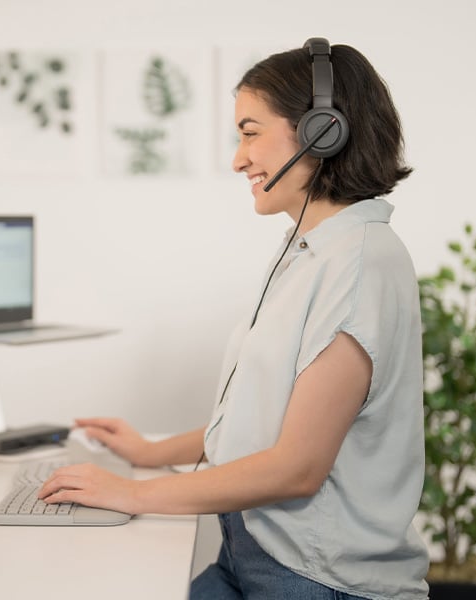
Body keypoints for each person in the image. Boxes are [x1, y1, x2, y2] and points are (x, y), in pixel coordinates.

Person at [37, 39, 430, 600]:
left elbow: (296, 466)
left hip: (316, 580)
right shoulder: (308, 252)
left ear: (323, 132)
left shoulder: (359, 267)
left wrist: (130, 493)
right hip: (257, 556)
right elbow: (264, 421)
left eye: (250, 133)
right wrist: (148, 453)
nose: (238, 158)